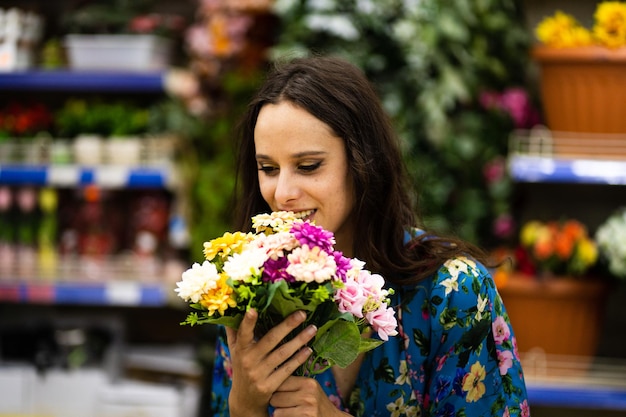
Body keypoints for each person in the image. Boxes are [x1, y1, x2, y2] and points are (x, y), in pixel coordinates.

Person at [210, 55, 530, 417]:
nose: (282, 193)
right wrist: (244, 408)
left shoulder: (454, 293)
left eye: (308, 166)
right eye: (268, 168)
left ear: (363, 162)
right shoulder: (248, 295)